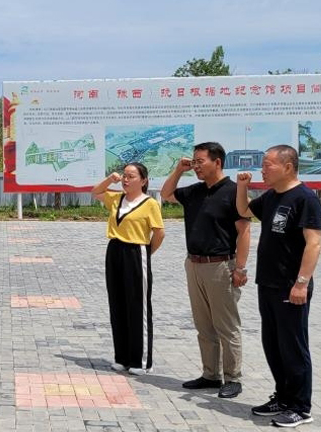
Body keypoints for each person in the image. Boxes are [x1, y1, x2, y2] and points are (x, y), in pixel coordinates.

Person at [235, 145, 321, 429]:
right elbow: (244, 210)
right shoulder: (273, 196)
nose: (263, 169)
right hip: (268, 283)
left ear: (288, 166)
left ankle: (301, 406)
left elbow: (314, 243)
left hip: (291, 286)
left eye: (268, 164)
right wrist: (242, 186)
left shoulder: (305, 198)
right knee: (272, 344)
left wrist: (301, 283)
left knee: (293, 346)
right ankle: (283, 397)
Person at [161, 142, 250, 399]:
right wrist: (178, 170)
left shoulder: (234, 191)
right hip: (195, 264)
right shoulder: (195, 192)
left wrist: (240, 268)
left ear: (217, 162)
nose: (196, 166)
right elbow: (167, 194)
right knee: (204, 325)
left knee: (226, 325)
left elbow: (244, 231)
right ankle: (211, 374)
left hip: (221, 265)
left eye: (201, 161)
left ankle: (233, 378)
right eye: (194, 161)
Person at [91, 163, 166, 375]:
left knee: (137, 305)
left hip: (136, 251)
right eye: (124, 176)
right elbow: (95, 192)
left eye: (131, 176)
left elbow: (159, 233)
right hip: (114, 250)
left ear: (143, 181)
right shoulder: (117, 198)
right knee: (117, 303)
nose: (125, 179)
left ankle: (141, 360)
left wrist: (146, 253)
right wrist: (109, 180)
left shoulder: (150, 203)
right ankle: (122, 357)